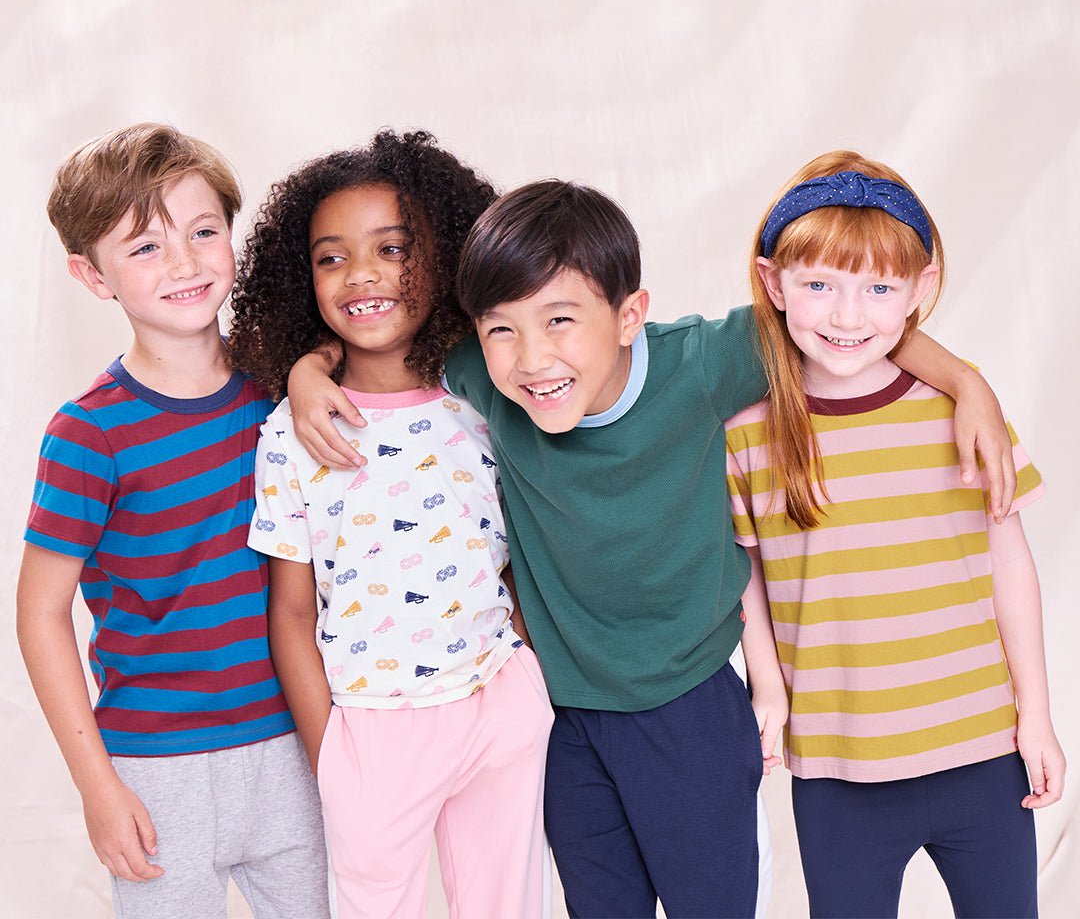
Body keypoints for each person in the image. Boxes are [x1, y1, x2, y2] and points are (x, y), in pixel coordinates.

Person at [289, 177, 1018, 919]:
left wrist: (969, 383)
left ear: (630, 315)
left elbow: (831, 321)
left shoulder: (701, 364)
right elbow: (385, 338)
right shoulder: (483, 373)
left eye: (560, 320)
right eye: (502, 328)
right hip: (566, 718)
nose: (533, 359)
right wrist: (307, 369)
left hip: (690, 707)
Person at [724, 151, 1065, 918]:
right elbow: (743, 572)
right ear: (774, 283)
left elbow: (1011, 564)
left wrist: (1036, 714)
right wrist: (768, 684)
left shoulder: (961, 413)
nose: (848, 317)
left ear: (921, 288)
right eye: (819, 286)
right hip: (840, 768)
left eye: (879, 289)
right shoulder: (747, 431)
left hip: (983, 751)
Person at [230, 130, 554, 919]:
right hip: (372, 729)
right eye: (331, 257)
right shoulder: (291, 433)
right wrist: (332, 755)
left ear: (444, 258)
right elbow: (291, 612)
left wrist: (527, 676)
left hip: (499, 704)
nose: (362, 274)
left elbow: (518, 556)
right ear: (301, 278)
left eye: (393, 248)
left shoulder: (488, 404)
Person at [17, 123, 329, 919]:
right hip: (156, 769)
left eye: (203, 232)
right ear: (92, 275)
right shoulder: (90, 434)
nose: (185, 263)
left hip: (294, 743)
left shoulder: (278, 387)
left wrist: (307, 367)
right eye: (146, 247)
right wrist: (97, 786)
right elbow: (40, 613)